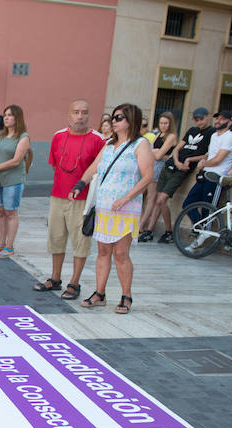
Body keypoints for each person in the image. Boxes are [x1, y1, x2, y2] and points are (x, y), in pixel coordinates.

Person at [74, 103, 152, 315]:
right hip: (105, 206)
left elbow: (147, 177)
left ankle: (126, 295)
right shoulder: (109, 145)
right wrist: (80, 184)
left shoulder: (140, 145)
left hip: (126, 208)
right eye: (113, 118)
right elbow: (94, 167)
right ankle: (99, 293)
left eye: (119, 118)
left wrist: (126, 198)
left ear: (131, 121)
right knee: (103, 251)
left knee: (120, 253)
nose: (113, 122)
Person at [34, 99, 104, 299]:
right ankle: (55, 278)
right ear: (69, 115)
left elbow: (98, 170)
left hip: (83, 199)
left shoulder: (98, 140)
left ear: (89, 116)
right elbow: (55, 165)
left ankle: (75, 282)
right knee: (56, 238)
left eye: (84, 112)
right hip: (58, 196)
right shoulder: (58, 136)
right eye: (76, 112)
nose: (80, 117)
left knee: (80, 241)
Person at [151, 107, 214, 227]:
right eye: (196, 119)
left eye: (201, 119)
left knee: (161, 200)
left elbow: (208, 154)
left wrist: (189, 160)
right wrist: (177, 161)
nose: (199, 122)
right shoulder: (192, 130)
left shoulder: (212, 132)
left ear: (207, 117)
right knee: (157, 201)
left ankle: (169, 230)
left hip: (182, 170)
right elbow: (177, 149)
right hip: (171, 165)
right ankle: (151, 229)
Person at [0, 105, 31, 258]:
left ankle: (9, 246)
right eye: (5, 115)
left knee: (10, 212)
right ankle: (0, 244)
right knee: (0, 212)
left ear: (17, 118)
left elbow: (16, 160)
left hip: (13, 180)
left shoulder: (23, 137)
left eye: (10, 115)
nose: (6, 117)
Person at [180, 110, 232, 228]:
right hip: (205, 174)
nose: (218, 121)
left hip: (217, 176)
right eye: (217, 118)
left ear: (230, 122)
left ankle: (204, 234)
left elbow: (218, 159)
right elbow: (211, 153)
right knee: (188, 203)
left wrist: (204, 163)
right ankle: (200, 228)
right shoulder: (214, 136)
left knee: (208, 208)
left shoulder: (230, 137)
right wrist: (203, 160)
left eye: (222, 119)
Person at [137, 112, 179, 242]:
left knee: (151, 198)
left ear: (170, 124)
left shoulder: (171, 136)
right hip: (152, 165)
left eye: (166, 123)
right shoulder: (159, 135)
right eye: (161, 123)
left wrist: (154, 152)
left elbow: (159, 154)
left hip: (160, 167)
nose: (163, 125)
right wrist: (154, 152)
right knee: (142, 196)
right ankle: (142, 226)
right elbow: (151, 150)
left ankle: (141, 227)